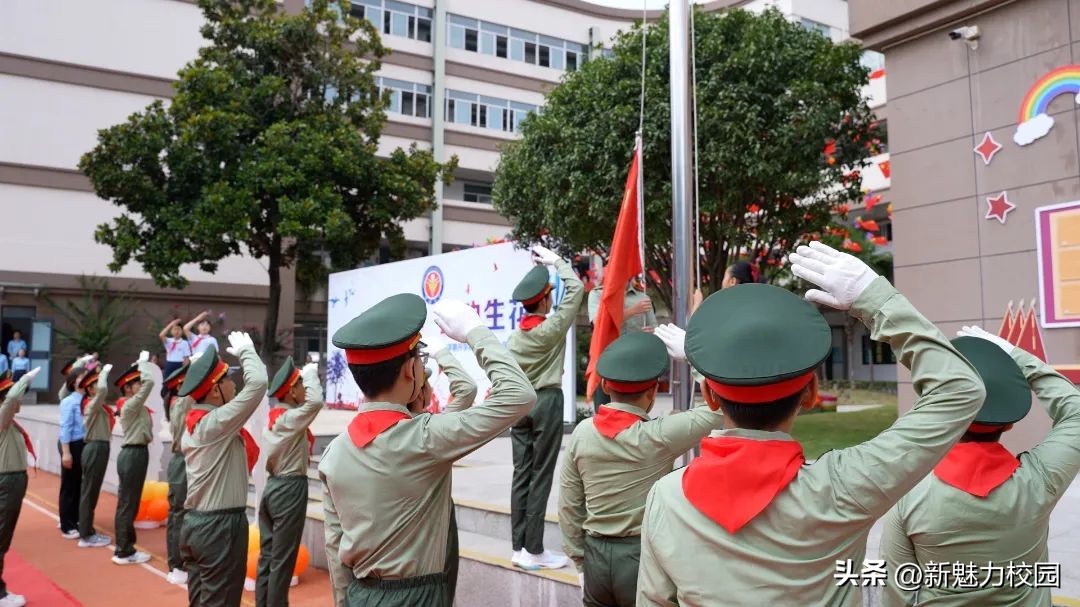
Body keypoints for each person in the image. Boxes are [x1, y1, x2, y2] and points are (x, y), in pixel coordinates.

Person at [635, 241, 986, 606]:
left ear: (709, 396)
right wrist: (876, 299)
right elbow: (960, 390)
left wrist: (702, 366)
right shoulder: (846, 487)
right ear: (811, 393)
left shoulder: (666, 497)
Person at [319, 294, 535, 606]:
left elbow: (335, 545)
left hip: (360, 594)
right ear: (410, 370)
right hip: (418, 596)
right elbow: (519, 395)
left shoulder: (334, 453)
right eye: (420, 361)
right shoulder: (424, 438)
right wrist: (475, 331)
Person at [880, 326, 1080, 607]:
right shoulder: (1040, 481)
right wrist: (1016, 357)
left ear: (942, 416)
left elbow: (895, 589)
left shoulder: (907, 493)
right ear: (1009, 423)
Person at [559, 332, 724, 607]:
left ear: (606, 385)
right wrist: (696, 363)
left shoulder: (582, 433)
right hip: (640, 556)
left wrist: (579, 561)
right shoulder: (659, 435)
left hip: (595, 556)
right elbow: (722, 407)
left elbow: (569, 504)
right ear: (652, 392)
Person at [506, 245, 584, 570]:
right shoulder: (550, 329)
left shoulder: (514, 338)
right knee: (541, 475)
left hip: (520, 403)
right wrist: (557, 262)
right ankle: (534, 550)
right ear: (544, 299)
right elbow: (577, 289)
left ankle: (518, 547)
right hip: (548, 401)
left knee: (521, 473)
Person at [179, 332, 266, 607]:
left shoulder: (196, 420)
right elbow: (259, 383)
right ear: (216, 390)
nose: (234, 384)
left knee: (201, 600)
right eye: (228, 379)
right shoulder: (216, 422)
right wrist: (247, 352)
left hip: (196, 523)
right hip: (220, 527)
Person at [256, 357, 323, 607]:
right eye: (302, 384)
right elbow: (316, 402)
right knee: (283, 560)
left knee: (269, 556)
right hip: (290, 487)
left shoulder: (276, 418)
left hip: (274, 486)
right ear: (292, 391)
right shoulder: (289, 418)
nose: (305, 389)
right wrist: (311, 375)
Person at [0, 367, 40, 607]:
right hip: (7, 481)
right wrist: (25, 378)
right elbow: (13, 397)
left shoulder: (9, 423)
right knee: (1, 536)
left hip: (13, 481)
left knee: (4, 536)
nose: (20, 400)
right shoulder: (2, 418)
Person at [111, 353, 155, 566]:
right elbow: (150, 383)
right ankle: (124, 550)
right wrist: (143, 365)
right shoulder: (130, 405)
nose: (140, 386)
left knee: (129, 503)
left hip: (136, 453)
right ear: (128, 389)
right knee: (128, 504)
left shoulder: (135, 406)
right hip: (133, 453)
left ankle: (127, 547)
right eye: (136, 383)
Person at [587, 277, 657, 411]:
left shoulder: (642, 298)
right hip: (607, 362)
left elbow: (654, 329)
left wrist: (650, 334)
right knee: (605, 411)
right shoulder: (597, 295)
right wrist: (632, 311)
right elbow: (599, 324)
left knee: (636, 412)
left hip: (635, 364)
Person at [163, 359, 196, 585]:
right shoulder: (183, 401)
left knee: (183, 515)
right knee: (179, 516)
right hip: (182, 462)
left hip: (186, 460)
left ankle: (182, 562)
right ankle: (177, 565)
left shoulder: (180, 401)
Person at [77, 362, 114, 549]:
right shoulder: (92, 403)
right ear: (91, 389)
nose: (98, 387)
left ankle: (86, 529)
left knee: (91, 491)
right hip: (95, 448)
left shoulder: (96, 405)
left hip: (99, 447)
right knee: (89, 492)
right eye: (95, 384)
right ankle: (86, 534)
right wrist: (104, 375)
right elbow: (103, 391)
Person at [57, 354, 94, 539]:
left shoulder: (87, 400)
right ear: (73, 382)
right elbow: (65, 428)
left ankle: (76, 518)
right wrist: (66, 453)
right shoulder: (69, 401)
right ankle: (66, 524)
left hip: (84, 443)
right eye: (81, 378)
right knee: (69, 484)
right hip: (72, 444)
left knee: (80, 483)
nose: (86, 380)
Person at [160, 319, 193, 392]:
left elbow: (187, 358)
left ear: (182, 331)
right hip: (169, 364)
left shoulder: (184, 343)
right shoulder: (168, 341)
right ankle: (163, 400)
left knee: (178, 384)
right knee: (166, 384)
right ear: (171, 331)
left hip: (179, 365)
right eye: (174, 329)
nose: (176, 331)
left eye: (179, 329)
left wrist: (184, 369)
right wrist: (171, 324)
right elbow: (161, 335)